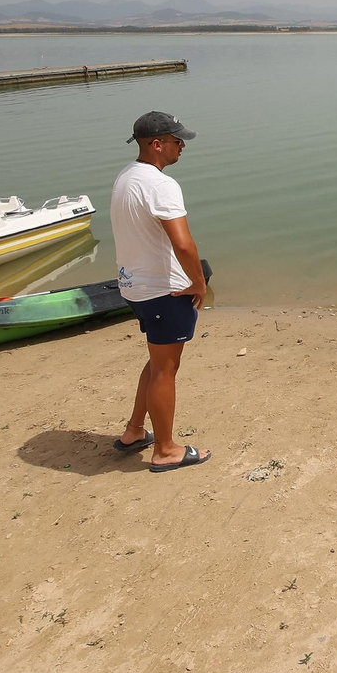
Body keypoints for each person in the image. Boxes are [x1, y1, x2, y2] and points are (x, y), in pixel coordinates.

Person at [111, 111, 211, 473]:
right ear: (157, 144)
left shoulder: (127, 176)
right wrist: (198, 283)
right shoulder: (161, 185)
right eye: (177, 140)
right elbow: (183, 245)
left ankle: (135, 431)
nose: (182, 146)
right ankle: (166, 449)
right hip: (163, 292)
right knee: (166, 370)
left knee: (158, 363)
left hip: (133, 287)